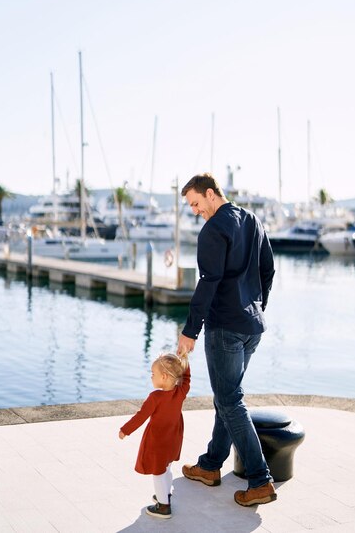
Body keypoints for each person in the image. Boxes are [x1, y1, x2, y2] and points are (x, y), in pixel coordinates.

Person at [177, 173, 277, 507]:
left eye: (195, 203)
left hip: (225, 329)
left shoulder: (213, 230)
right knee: (227, 395)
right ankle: (210, 465)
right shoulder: (253, 220)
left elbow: (208, 281)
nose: (195, 211)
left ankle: (261, 480)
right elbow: (268, 270)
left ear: (210, 194)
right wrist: (257, 306)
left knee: (230, 400)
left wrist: (190, 330)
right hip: (252, 326)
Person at [119, 353, 190, 519]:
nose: (151, 377)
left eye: (153, 374)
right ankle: (165, 494)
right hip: (174, 438)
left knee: (158, 472)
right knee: (167, 467)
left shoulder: (155, 397)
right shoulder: (180, 392)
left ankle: (163, 506)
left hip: (158, 440)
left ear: (164, 377)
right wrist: (185, 360)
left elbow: (140, 416)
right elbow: (186, 379)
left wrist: (125, 430)